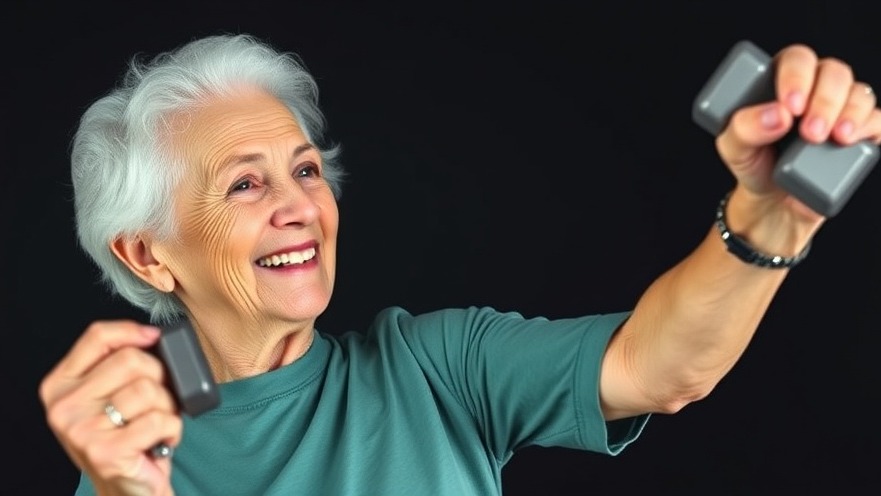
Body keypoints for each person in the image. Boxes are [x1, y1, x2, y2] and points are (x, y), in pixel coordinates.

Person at [38, 32, 879, 495]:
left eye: (303, 170)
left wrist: (766, 222)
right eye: (244, 184)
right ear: (148, 255)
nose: (299, 204)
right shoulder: (127, 449)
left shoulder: (432, 367)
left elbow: (661, 368)